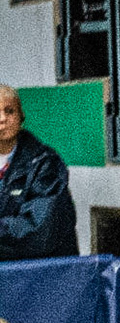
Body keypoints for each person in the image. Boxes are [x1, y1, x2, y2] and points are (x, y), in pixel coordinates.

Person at [0, 85, 76, 262]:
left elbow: (40, 230)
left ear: (21, 116)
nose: (2, 119)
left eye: (10, 111)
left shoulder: (45, 163)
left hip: (41, 272)